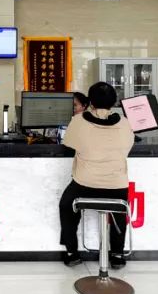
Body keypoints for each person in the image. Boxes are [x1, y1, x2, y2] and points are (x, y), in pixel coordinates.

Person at [58, 81, 135, 268]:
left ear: (90, 102)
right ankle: (117, 254)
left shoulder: (78, 121)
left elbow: (68, 144)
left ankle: (72, 252)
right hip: (116, 186)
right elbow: (127, 147)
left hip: (84, 185)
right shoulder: (125, 123)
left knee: (66, 205)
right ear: (114, 102)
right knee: (118, 210)